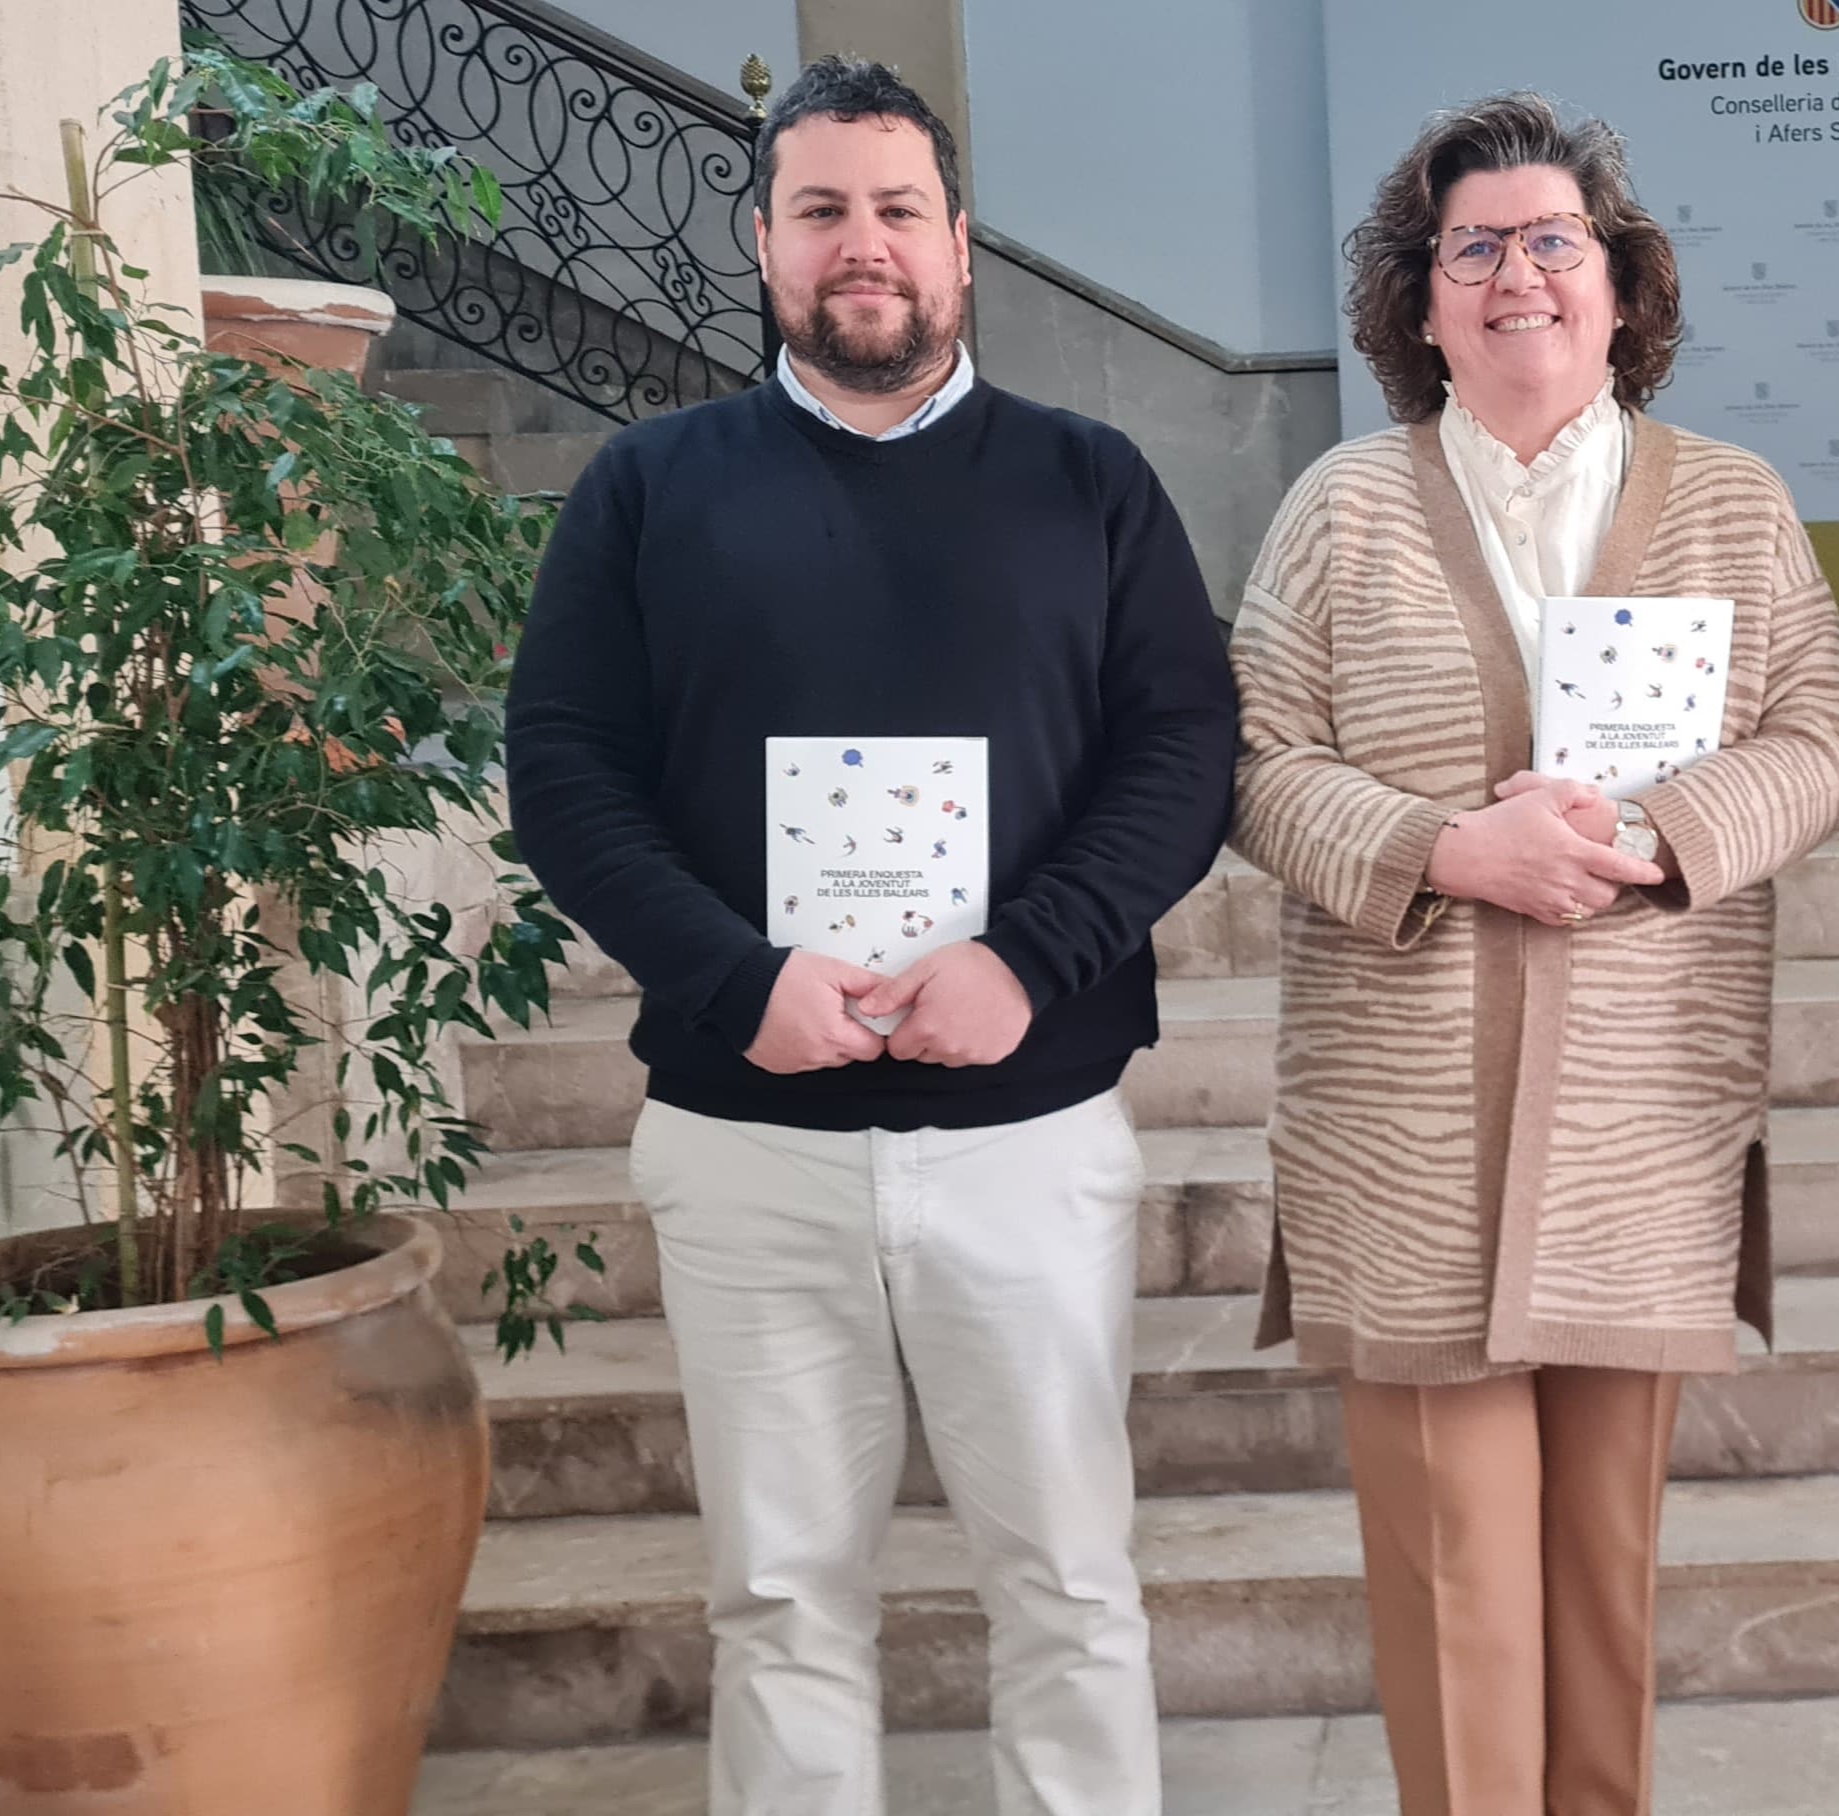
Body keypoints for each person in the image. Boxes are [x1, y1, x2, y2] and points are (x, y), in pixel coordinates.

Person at [504, 55, 1236, 1816]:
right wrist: (732, 978)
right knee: (778, 1599)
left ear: (961, 244)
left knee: (1069, 1587)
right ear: (762, 240)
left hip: (1026, 1132)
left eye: (899, 209)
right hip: (750, 1136)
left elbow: (1182, 753)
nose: (864, 243)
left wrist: (1028, 958)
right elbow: (567, 772)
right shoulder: (649, 488)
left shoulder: (1091, 481)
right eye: (821, 208)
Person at [1225, 91, 1839, 1816]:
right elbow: (1257, 760)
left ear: (1620, 282)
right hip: (1406, 1137)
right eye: (1475, 249)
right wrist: (1446, 848)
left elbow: (1826, 733)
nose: (1520, 275)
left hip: (1636, 1131)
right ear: (1422, 302)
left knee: (1600, 1586)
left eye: (1555, 241)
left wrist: (1659, 834)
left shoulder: (1729, 502)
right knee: (1455, 1600)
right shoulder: (1343, 508)